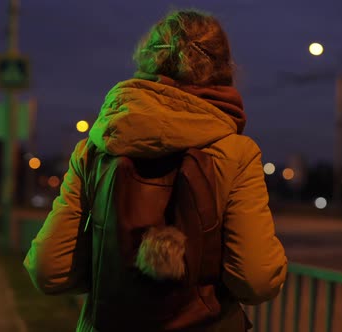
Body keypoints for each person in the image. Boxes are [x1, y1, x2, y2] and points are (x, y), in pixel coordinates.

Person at [24, 9, 287, 331]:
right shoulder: (236, 154)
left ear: (148, 60)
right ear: (223, 68)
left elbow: (49, 270)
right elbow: (257, 280)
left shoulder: (96, 150)